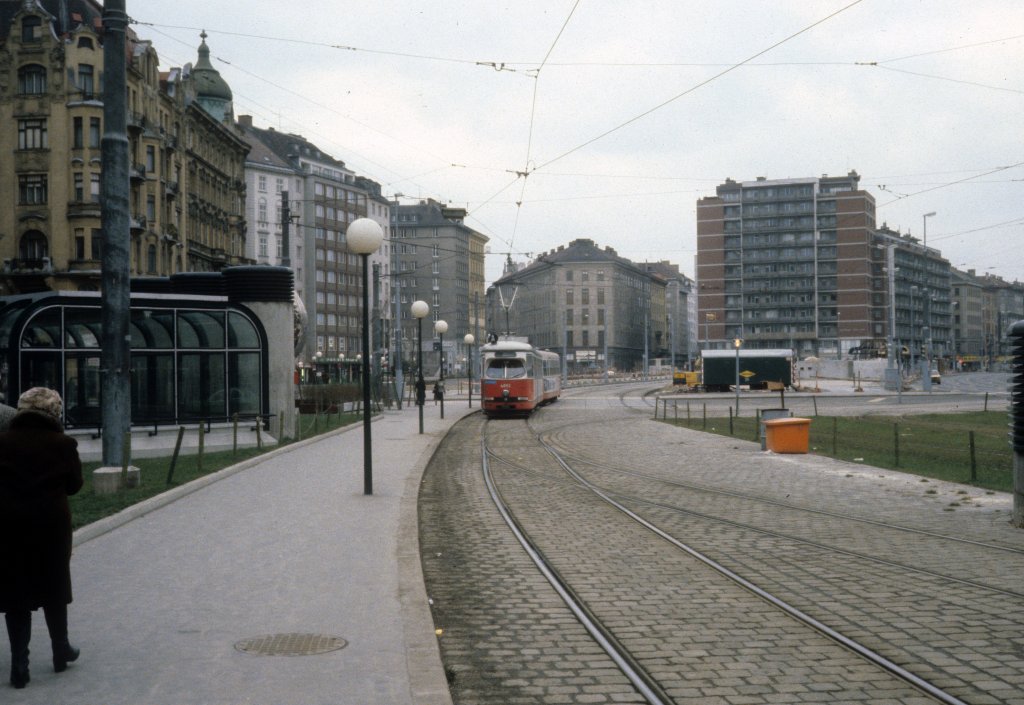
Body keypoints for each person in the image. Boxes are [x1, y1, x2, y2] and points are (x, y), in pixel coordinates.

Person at [0, 388, 83, 689]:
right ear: (54, 412)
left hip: (8, 525)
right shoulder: (62, 443)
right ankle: (61, 650)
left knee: (15, 593)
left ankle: (19, 665)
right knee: (54, 586)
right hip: (51, 526)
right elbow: (74, 485)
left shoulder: (2, 442)